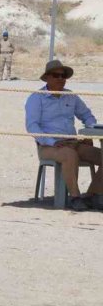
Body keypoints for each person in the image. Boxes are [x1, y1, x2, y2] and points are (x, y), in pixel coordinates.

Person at [25, 59, 103, 211]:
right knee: (69, 155)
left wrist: (89, 131)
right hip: (48, 146)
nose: (61, 79)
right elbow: (32, 126)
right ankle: (75, 197)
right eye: (56, 75)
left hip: (73, 142)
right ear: (47, 77)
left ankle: (93, 194)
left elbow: (87, 115)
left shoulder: (71, 96)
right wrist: (52, 142)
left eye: (63, 76)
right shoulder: (36, 98)